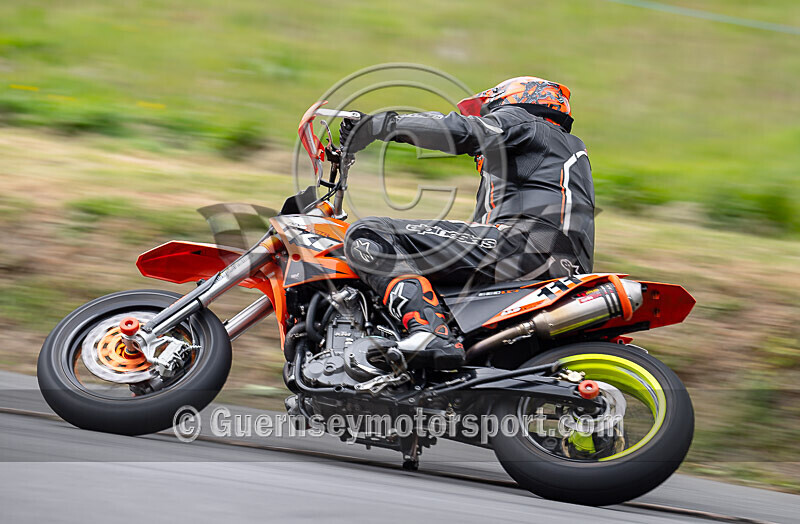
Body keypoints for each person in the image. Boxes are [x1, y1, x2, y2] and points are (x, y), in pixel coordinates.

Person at [340, 77, 594, 370]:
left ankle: (430, 334)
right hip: (549, 257)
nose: (485, 117)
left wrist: (382, 125)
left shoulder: (527, 122)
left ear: (513, 100)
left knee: (371, 233)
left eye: (489, 110)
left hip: (524, 245)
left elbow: (464, 131)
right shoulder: (555, 152)